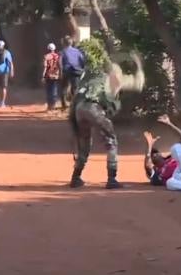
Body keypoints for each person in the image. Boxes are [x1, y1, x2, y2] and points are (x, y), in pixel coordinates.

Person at [69, 52, 145, 189]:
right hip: (94, 109)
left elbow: (74, 96)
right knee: (111, 141)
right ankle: (111, 179)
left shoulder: (91, 76)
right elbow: (138, 84)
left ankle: (76, 177)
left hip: (79, 109)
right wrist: (139, 66)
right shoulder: (115, 78)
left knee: (85, 142)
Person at [60, 36, 85, 109]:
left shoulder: (62, 52)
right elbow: (82, 61)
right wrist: (82, 68)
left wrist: (60, 72)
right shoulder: (77, 51)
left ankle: (64, 105)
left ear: (64, 43)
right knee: (75, 88)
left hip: (67, 71)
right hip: (76, 71)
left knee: (64, 87)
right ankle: (75, 105)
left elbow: (59, 63)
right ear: (71, 43)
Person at [42, 43, 60, 112]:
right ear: (54, 49)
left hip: (48, 76)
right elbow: (59, 66)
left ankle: (49, 106)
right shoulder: (58, 56)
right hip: (56, 75)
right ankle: (53, 105)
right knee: (54, 90)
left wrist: (43, 76)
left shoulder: (46, 56)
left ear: (48, 49)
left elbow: (45, 67)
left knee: (49, 91)